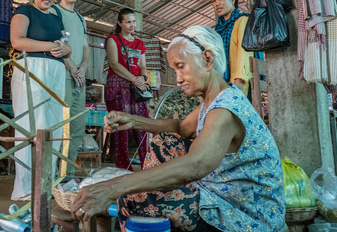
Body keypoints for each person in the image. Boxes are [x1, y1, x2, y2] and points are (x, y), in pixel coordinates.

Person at [72, 25, 285, 231]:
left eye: (181, 67)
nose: (178, 78)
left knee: (132, 198)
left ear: (208, 59)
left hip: (246, 212)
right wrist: (134, 121)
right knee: (165, 142)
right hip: (219, 191)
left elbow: (196, 165)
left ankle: (153, 215)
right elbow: (181, 127)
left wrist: (112, 188)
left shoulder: (225, 110)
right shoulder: (214, 99)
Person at [10, 0, 72, 201]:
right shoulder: (25, 11)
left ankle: (46, 183)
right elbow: (17, 41)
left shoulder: (56, 16)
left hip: (55, 71)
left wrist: (67, 50)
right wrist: (50, 45)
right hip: (31, 69)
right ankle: (25, 188)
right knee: (30, 126)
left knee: (53, 127)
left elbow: (66, 46)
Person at [53, 0, 90, 177]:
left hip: (79, 79)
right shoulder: (54, 12)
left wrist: (83, 66)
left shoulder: (80, 18)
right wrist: (71, 66)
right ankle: (51, 175)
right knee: (60, 128)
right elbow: (55, 45)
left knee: (77, 129)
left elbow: (85, 47)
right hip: (63, 77)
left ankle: (66, 176)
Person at [104, 8, 149, 171]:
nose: (132, 25)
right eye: (128, 22)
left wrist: (143, 79)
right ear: (120, 23)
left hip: (136, 87)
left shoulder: (140, 43)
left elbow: (143, 66)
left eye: (134, 22)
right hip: (118, 85)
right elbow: (114, 64)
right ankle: (122, 165)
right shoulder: (112, 39)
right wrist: (135, 79)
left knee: (143, 124)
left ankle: (147, 163)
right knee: (120, 125)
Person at [211, 0, 253, 95]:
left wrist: (239, 81)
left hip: (239, 83)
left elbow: (244, 52)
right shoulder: (218, 29)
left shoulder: (242, 21)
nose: (217, 4)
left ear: (233, 0)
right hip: (222, 84)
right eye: (213, 0)